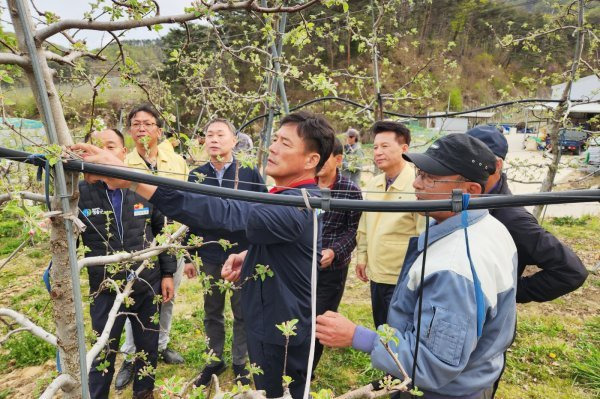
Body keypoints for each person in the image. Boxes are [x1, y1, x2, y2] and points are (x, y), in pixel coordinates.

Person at [72, 111, 335, 399]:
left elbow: (223, 214)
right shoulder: (287, 196)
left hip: (281, 335)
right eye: (274, 140)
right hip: (268, 321)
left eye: (285, 143)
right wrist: (251, 254)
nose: (272, 147)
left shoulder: (297, 205)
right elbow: (286, 242)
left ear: (311, 160)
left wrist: (133, 181)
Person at [316, 133, 518, 399]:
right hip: (475, 378)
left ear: (470, 191)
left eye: (429, 177)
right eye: (419, 173)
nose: (416, 183)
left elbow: (431, 366)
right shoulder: (491, 227)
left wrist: (357, 336)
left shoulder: (454, 268)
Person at [79, 129, 177, 399]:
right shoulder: (80, 194)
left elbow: (162, 231)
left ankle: (144, 393)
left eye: (110, 146)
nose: (104, 152)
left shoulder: (141, 186)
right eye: (97, 147)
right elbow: (66, 239)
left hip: (147, 281)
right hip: (105, 286)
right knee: (103, 348)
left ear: (123, 152)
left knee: (148, 345)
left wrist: (167, 272)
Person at [185, 118, 267, 386]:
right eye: (209, 135)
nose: (214, 140)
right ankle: (214, 359)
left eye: (220, 135)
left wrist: (257, 248)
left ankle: (240, 362)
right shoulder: (196, 175)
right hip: (209, 253)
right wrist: (188, 255)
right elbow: (190, 216)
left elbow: (262, 209)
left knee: (242, 309)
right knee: (212, 310)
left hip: (242, 254)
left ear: (234, 141)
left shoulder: (248, 173)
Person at [117, 104, 189, 390]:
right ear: (130, 131)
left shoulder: (176, 162)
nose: (142, 128)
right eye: (136, 124)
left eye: (148, 123)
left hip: (172, 241)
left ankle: (160, 345)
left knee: (167, 297)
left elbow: (187, 201)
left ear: (159, 130)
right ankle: (130, 356)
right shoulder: (124, 164)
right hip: (139, 244)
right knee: (133, 301)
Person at [356, 121, 425, 329]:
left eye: (385, 146)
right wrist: (362, 256)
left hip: (402, 276)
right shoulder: (374, 183)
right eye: (375, 147)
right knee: (381, 325)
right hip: (377, 271)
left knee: (400, 331)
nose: (378, 152)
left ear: (404, 149)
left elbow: (424, 234)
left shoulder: (416, 185)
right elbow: (365, 224)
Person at [313, 137, 362, 371]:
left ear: (338, 160)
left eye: (324, 157)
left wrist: (334, 250)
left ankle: (307, 370)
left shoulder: (350, 191)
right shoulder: (303, 187)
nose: (318, 161)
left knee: (320, 320)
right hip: (301, 266)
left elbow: (354, 230)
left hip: (332, 269)